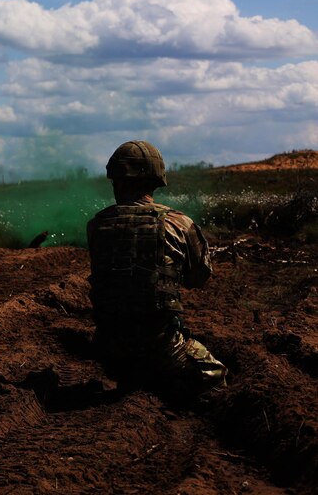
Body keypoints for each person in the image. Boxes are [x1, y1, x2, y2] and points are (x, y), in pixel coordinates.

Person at [86, 140, 227, 399]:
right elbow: (198, 278)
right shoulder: (179, 223)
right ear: (155, 178)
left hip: (109, 348)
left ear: (117, 179)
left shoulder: (96, 225)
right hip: (160, 346)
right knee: (215, 380)